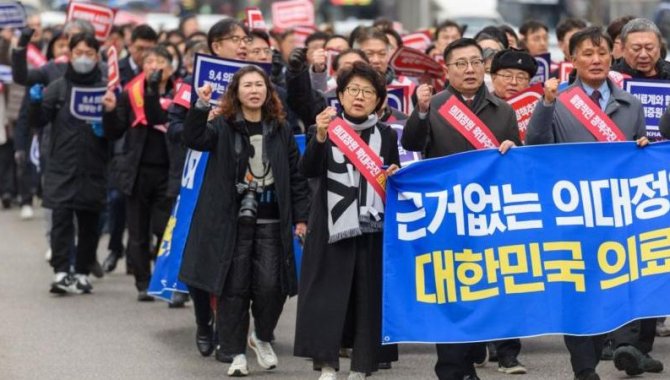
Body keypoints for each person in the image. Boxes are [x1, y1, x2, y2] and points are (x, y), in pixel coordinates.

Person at [526, 26, 658, 380]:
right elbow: (536, 145)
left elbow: (637, 148)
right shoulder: (560, 100)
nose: (596, 60)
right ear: (572, 60)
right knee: (578, 290)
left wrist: (643, 149)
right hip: (572, 213)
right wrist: (546, 104)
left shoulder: (630, 104)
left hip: (616, 212)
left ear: (611, 57)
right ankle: (584, 367)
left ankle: (615, 345)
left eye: (601, 53)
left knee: (616, 283)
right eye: (587, 53)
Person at [402, 38, 520, 380]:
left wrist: (513, 148)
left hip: (487, 215)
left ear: (485, 67)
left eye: (475, 62)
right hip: (446, 215)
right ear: (447, 69)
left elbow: (514, 162)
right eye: (460, 64)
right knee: (451, 292)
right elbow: (412, 143)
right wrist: (420, 111)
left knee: (484, 292)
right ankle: (453, 369)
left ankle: (471, 354)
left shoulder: (503, 109)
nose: (469, 70)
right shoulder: (434, 105)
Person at [181, 65, 309, 377]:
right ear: (236, 92)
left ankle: (261, 336)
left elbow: (296, 177)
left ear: (268, 91)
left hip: (272, 220)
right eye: (247, 85)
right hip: (232, 222)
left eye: (259, 85)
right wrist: (200, 106)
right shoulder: (223, 126)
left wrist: (302, 218)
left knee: (271, 287)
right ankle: (234, 351)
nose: (254, 90)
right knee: (233, 288)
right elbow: (194, 138)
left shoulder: (281, 128)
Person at [294, 61, 400, 380]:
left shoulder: (385, 134)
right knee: (328, 298)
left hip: (372, 227)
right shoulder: (325, 128)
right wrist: (322, 137)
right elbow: (308, 169)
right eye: (352, 89)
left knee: (368, 298)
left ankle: (362, 365)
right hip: (331, 226)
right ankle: (327, 364)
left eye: (368, 91)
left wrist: (392, 175)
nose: (359, 96)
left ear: (379, 100)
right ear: (339, 95)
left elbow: (392, 172)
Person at [167, 17, 251, 362]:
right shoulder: (192, 84)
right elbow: (174, 128)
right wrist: (203, 119)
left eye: (246, 39)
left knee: (237, 258)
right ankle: (204, 320)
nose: (243, 45)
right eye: (237, 39)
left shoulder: (254, 80)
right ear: (216, 46)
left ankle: (228, 330)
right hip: (200, 177)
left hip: (242, 179)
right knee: (200, 254)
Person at [30, 33, 113, 295]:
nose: (84, 58)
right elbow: (40, 121)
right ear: (70, 55)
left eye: (89, 53)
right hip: (62, 165)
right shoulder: (58, 87)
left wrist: (107, 123)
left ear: (97, 57)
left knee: (89, 222)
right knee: (61, 220)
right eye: (78, 53)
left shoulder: (105, 90)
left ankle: (82, 271)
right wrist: (35, 103)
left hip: (93, 166)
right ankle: (61, 271)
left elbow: (119, 129)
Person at [104, 45, 177, 302]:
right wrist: (111, 111)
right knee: (137, 231)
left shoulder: (179, 93)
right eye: (148, 62)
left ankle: (164, 276)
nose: (153, 66)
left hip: (169, 173)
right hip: (136, 172)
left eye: (159, 61)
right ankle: (143, 282)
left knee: (163, 227)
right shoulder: (130, 94)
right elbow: (115, 131)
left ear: (170, 67)